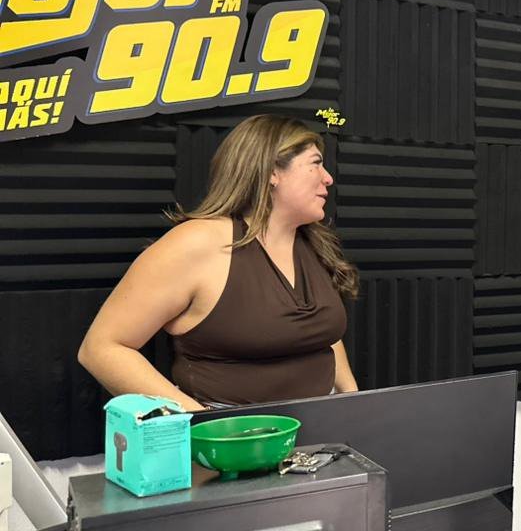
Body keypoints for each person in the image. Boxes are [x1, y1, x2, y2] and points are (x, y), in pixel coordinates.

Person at [79, 114, 359, 412]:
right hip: (229, 434)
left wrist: (353, 401)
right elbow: (101, 348)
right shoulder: (196, 243)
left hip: (322, 425)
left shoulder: (313, 243)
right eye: (315, 164)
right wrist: (203, 424)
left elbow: (324, 336)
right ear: (271, 172)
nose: (328, 178)